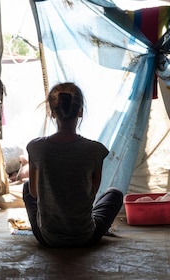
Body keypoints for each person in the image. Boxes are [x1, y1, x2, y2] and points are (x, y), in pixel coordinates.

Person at [22, 82, 123, 248]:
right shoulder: (95, 150)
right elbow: (92, 193)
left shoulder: (35, 147)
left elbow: (34, 193)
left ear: (52, 113)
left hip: (47, 238)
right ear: (80, 111)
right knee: (115, 194)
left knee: (27, 187)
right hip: (84, 236)